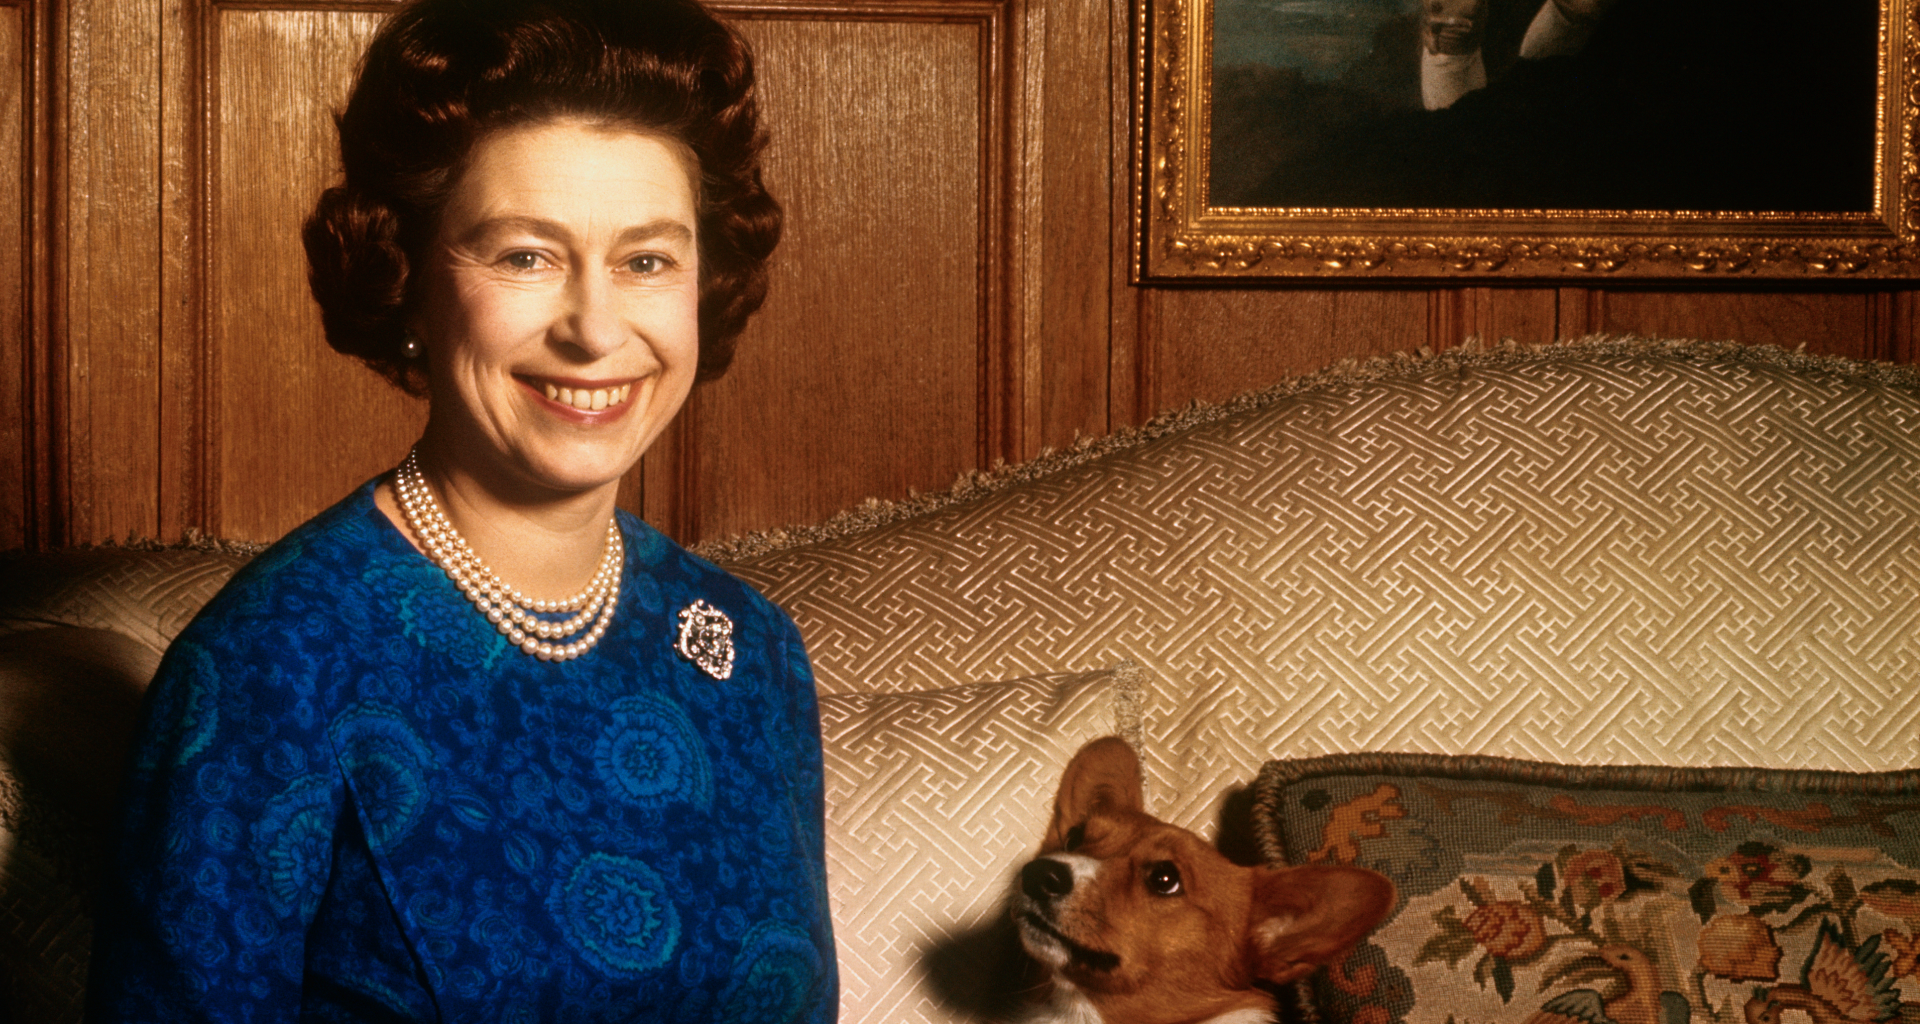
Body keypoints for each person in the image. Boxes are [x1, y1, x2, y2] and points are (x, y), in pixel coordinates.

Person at [84, 0, 836, 1020]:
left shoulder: (749, 651)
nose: (595, 326)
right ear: (410, 283)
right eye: (526, 255)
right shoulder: (272, 664)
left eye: (646, 259)